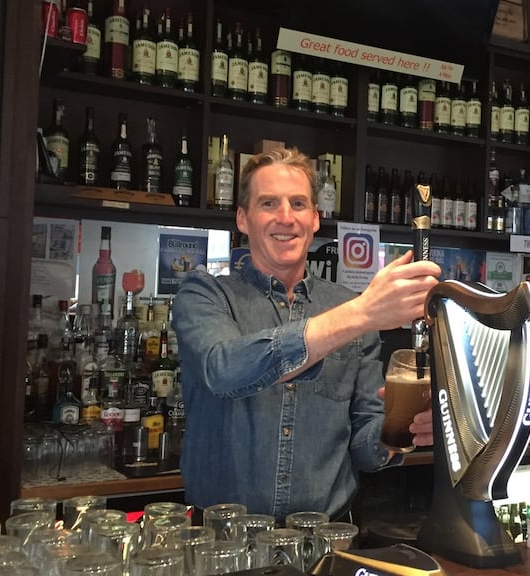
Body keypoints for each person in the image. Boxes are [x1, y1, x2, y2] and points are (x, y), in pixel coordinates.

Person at [172, 147, 443, 520]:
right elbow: (224, 370)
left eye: (298, 204)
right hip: (222, 543)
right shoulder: (204, 294)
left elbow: (364, 446)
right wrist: (362, 312)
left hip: (326, 542)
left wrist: (400, 428)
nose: (286, 217)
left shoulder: (350, 311)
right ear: (242, 218)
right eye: (269, 203)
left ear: (315, 219)